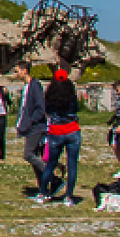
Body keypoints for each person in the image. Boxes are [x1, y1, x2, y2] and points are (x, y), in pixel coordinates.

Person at [36, 68, 82, 206]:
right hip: (72, 130)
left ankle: (43, 193)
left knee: (50, 163)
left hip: (56, 131)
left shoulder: (50, 97)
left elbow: (48, 111)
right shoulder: (71, 95)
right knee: (72, 165)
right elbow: (76, 109)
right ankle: (68, 197)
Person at [13, 61, 49, 194]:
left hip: (36, 127)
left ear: (25, 70)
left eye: (17, 71)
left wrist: (30, 122)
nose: (16, 74)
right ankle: (43, 189)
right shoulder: (26, 87)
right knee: (34, 158)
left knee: (28, 154)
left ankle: (52, 176)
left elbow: (41, 108)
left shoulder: (35, 85)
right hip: (29, 127)